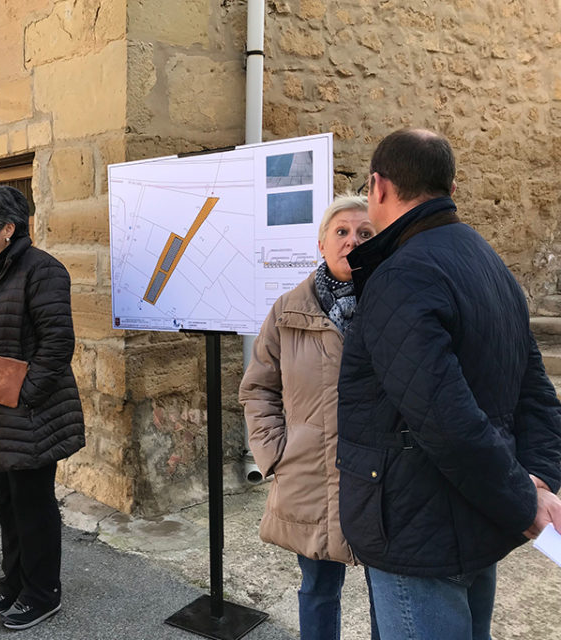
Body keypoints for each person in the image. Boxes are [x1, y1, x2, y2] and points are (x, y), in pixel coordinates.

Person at [337, 128, 561, 640]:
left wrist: (526, 500)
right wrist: (536, 482)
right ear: (451, 189)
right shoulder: (490, 264)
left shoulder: (401, 275)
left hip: (420, 533)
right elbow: (537, 393)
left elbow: (446, 417)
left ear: (378, 186)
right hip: (472, 518)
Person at [239, 194, 379, 640]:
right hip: (310, 478)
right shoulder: (288, 310)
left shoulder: (396, 305)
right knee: (318, 588)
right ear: (321, 243)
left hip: (383, 479)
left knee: (390, 595)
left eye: (364, 233)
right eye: (341, 232)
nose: (351, 242)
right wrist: (274, 454)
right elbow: (258, 388)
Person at [0, 185, 85, 631]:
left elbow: (57, 345)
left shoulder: (43, 271)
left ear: (8, 229)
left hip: (28, 413)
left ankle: (42, 592)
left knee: (33, 505)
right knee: (6, 504)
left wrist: (21, 394)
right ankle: (14, 583)